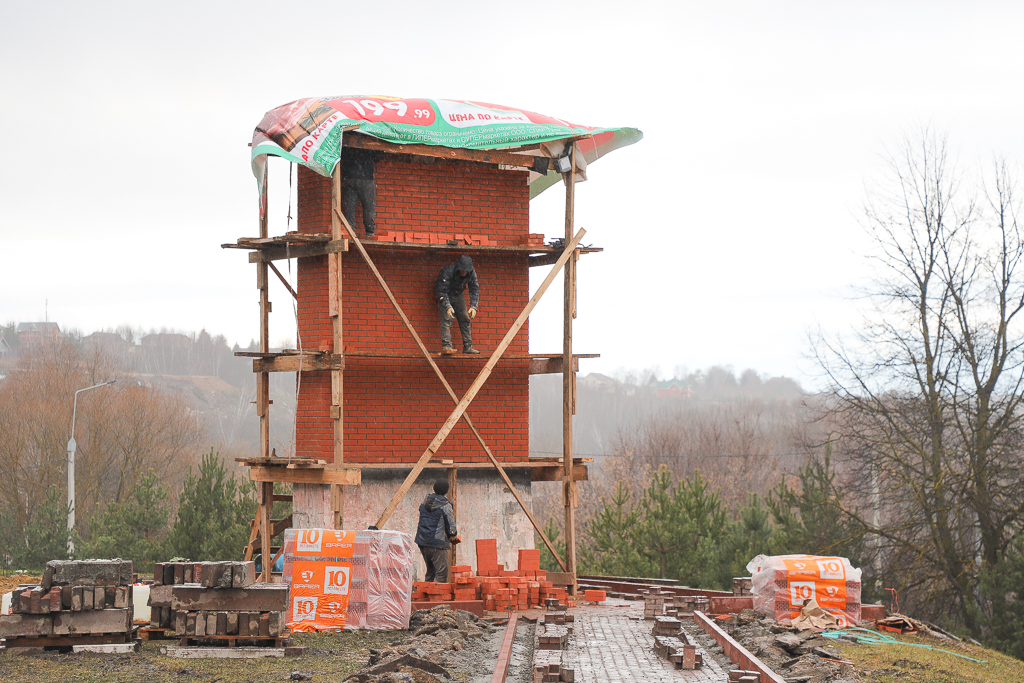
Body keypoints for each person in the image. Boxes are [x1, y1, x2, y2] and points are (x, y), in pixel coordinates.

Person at [415, 480, 460, 583]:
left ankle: (425, 597)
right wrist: (453, 534)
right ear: (446, 491)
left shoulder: (424, 503)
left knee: (431, 572)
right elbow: (451, 524)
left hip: (422, 541)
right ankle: (437, 598)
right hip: (437, 543)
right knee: (441, 573)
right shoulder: (446, 505)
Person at [435, 255, 480, 355]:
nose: (463, 272)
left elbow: (474, 289)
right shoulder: (448, 271)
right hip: (445, 294)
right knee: (446, 318)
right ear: (458, 267)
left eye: (465, 271)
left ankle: (468, 346)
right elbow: (441, 291)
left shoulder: (471, 272)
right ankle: (447, 345)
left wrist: (474, 306)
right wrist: (447, 306)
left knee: (465, 318)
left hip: (458, 295)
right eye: (462, 270)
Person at [341, 147, 383, 237]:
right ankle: (370, 232)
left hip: (350, 177)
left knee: (349, 207)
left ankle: (350, 231)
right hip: (366, 178)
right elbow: (379, 157)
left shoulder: (348, 136)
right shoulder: (371, 137)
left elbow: (340, 154)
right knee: (368, 207)